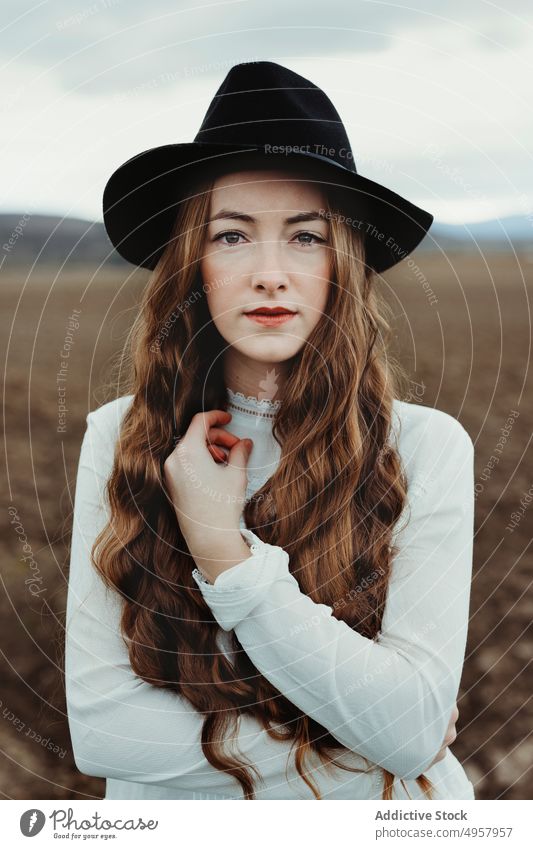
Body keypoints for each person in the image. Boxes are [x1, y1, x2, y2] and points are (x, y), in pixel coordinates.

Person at [65, 62, 475, 801]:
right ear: (193, 262)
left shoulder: (424, 447)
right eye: (231, 235)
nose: (269, 273)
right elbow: (104, 731)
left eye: (304, 237)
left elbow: (411, 725)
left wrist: (224, 554)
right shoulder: (119, 437)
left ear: (341, 262)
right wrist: (367, 742)